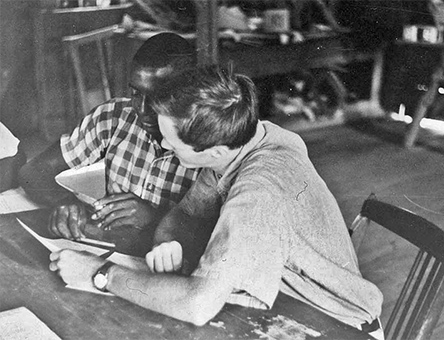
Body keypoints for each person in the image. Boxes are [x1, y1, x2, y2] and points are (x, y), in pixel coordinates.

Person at [49, 66, 384, 339]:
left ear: (214, 152)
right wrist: (170, 244)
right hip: (282, 302)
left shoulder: (259, 191)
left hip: (333, 325)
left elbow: (197, 306)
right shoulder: (245, 137)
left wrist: (99, 273)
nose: (163, 145)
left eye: (172, 140)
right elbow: (178, 221)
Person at [18, 33, 200, 245]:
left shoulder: (210, 139)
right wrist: (65, 204)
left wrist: (154, 218)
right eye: (135, 93)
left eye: (158, 97)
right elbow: (33, 172)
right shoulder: (114, 116)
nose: (141, 109)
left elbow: (216, 231)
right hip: (110, 247)